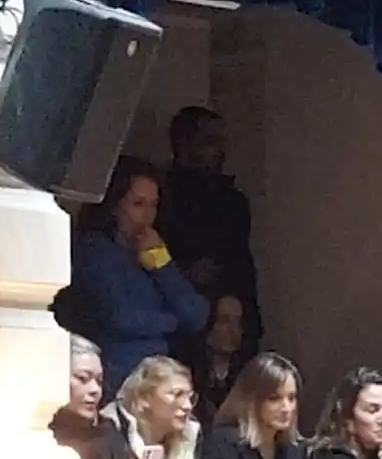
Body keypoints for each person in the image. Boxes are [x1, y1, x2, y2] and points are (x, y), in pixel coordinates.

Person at [70, 158, 209, 396]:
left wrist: (162, 265)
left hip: (159, 379)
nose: (147, 216)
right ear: (115, 205)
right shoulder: (93, 250)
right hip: (117, 377)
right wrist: (173, 322)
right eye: (138, 204)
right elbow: (119, 318)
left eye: (153, 205)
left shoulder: (155, 252)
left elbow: (197, 315)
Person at [157, 107, 259, 351]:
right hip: (181, 319)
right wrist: (183, 272)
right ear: (184, 142)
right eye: (210, 141)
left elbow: (240, 259)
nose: (220, 151)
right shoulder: (161, 195)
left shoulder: (232, 200)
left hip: (234, 309)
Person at [202, 352, 306, 459]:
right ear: (251, 401)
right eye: (274, 398)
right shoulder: (223, 443)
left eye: (291, 398)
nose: (286, 408)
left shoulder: (294, 450)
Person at [96, 356, 203, 459]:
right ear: (144, 398)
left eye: (190, 397)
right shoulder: (109, 434)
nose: (187, 406)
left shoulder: (189, 438)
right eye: (177, 395)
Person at [48, 334, 133, 459]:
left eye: (99, 381)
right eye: (83, 379)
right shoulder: (41, 436)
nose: (95, 390)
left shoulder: (108, 430)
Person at [182, 293, 249, 424]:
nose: (233, 330)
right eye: (224, 320)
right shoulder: (187, 369)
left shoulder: (248, 371)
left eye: (238, 322)